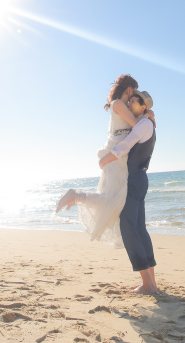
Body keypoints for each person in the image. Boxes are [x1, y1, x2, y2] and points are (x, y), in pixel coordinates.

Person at [55, 74, 153, 247]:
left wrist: (146, 115)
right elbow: (135, 124)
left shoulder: (121, 105)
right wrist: (148, 116)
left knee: (115, 199)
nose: (133, 97)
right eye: (133, 92)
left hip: (119, 153)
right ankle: (76, 195)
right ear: (129, 89)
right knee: (114, 200)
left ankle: (76, 196)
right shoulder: (118, 104)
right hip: (116, 153)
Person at [99, 90, 158, 294]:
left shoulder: (143, 124)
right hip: (140, 179)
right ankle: (152, 283)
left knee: (129, 230)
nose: (131, 103)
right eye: (131, 100)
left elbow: (125, 145)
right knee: (140, 229)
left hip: (134, 180)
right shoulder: (147, 123)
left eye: (135, 101)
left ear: (144, 107)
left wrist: (105, 160)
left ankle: (148, 284)